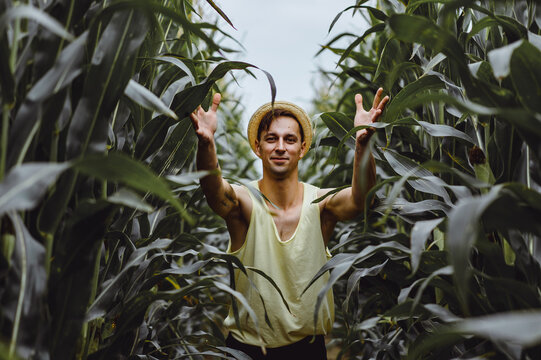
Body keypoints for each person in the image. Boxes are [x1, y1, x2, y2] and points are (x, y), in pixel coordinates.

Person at [190, 89, 389, 359]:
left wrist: (363, 146)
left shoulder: (321, 204)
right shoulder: (244, 202)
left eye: (290, 139)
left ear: (302, 148)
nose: (281, 146)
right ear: (258, 147)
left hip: (306, 350)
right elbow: (216, 193)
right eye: (271, 139)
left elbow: (361, 199)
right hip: (246, 350)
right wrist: (206, 144)